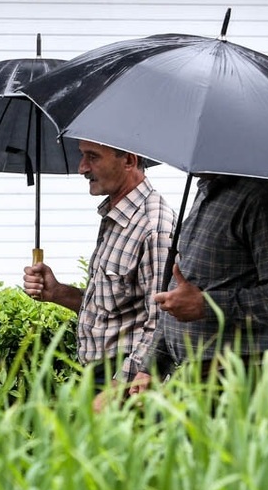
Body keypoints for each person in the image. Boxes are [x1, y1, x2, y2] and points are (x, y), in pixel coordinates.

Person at [22, 140, 175, 409]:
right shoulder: (117, 217)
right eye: (83, 156)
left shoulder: (155, 227)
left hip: (129, 387)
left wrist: (118, 388)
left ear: (129, 160)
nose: (82, 168)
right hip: (100, 377)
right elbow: (114, 310)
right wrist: (57, 292)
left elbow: (162, 321)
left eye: (92, 157)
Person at [127, 174, 268, 395]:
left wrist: (207, 305)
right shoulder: (207, 188)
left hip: (248, 386)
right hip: (197, 381)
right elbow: (183, 291)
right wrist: (152, 367)